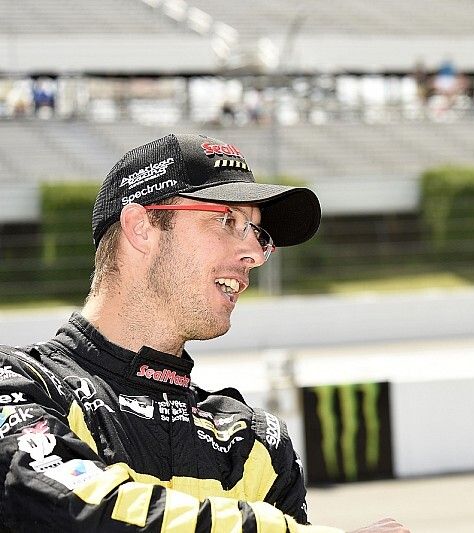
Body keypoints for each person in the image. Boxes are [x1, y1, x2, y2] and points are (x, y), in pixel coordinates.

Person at [0, 133, 409, 533]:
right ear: (141, 227)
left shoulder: (254, 443)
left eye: (259, 234)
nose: (254, 255)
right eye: (227, 220)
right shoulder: (20, 385)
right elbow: (83, 511)